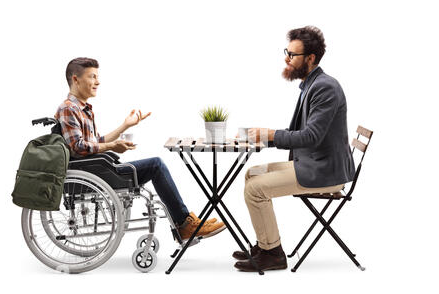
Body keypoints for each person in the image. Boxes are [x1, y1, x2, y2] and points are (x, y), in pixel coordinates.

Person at [55, 57, 226, 240]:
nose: (98, 82)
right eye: (92, 77)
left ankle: (185, 223)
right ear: (75, 79)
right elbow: (78, 146)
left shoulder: (83, 109)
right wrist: (112, 146)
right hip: (92, 173)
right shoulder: (68, 108)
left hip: (96, 169)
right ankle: (185, 224)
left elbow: (95, 141)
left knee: (155, 166)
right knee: (156, 165)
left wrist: (125, 126)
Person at [233, 26, 356, 272]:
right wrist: (264, 136)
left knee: (256, 188)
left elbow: (310, 136)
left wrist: (270, 135)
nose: (286, 59)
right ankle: (265, 243)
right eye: (286, 52)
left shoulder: (325, 87)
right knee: (252, 173)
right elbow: (304, 134)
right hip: (313, 162)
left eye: (292, 55)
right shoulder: (310, 85)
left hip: (324, 171)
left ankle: (273, 254)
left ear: (310, 58)